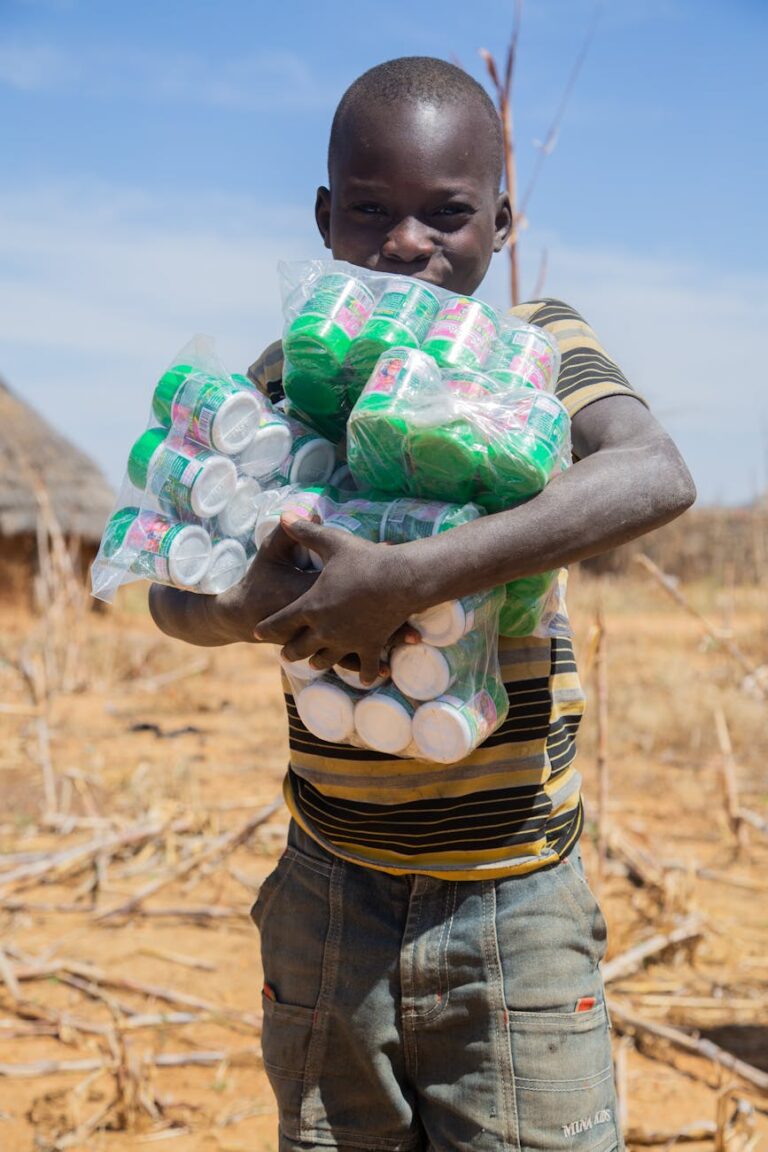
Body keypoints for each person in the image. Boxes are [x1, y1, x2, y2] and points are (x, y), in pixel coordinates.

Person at [150, 57, 695, 1152]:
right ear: (324, 218)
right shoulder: (287, 378)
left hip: (512, 900)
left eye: (448, 215)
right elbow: (171, 594)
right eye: (370, 212)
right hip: (327, 898)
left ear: (502, 219)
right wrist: (244, 603)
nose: (408, 244)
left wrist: (413, 578)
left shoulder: (534, 346)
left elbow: (651, 473)